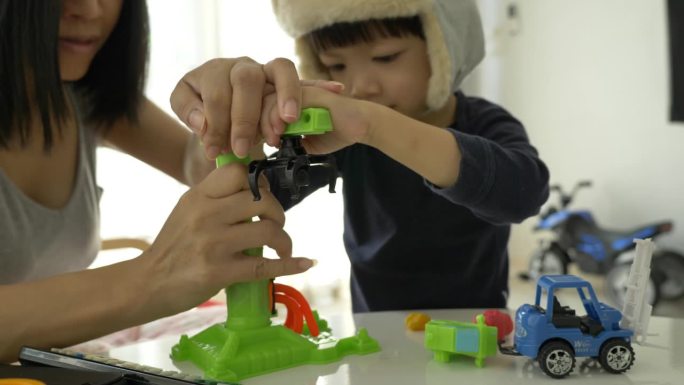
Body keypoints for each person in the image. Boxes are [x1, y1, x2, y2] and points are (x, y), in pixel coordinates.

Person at [176, 0, 550, 313]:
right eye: (337, 66)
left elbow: (523, 193)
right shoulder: (344, 137)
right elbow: (255, 195)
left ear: (446, 47)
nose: (360, 86)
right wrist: (239, 130)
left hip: (479, 328)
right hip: (377, 331)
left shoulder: (484, 122)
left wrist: (374, 125)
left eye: (386, 57)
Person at [0, 0, 318, 362]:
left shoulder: (80, 97)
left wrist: (228, 117)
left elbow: (193, 162)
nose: (89, 10)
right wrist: (152, 278)